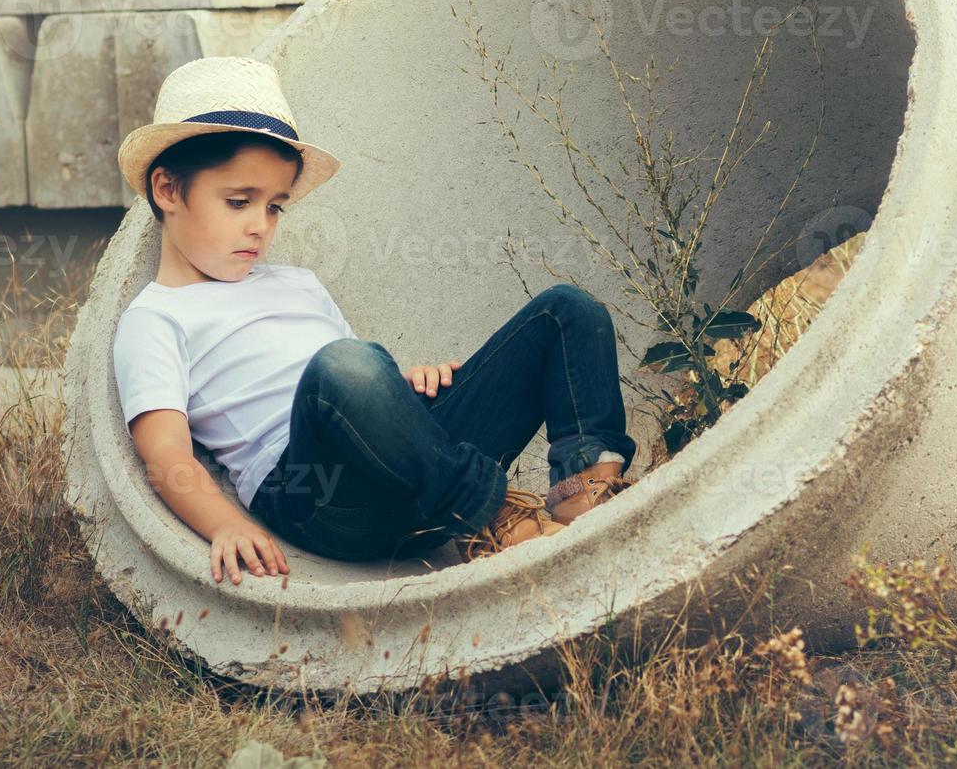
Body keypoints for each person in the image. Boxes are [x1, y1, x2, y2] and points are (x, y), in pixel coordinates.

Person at [111, 56, 637, 585]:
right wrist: (224, 525)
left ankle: (585, 496)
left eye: (275, 207)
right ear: (168, 190)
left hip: (415, 477)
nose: (259, 226)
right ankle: (492, 514)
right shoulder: (156, 318)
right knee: (344, 365)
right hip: (320, 498)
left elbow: (358, 393)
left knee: (567, 311)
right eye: (239, 202)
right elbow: (164, 452)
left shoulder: (297, 283)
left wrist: (402, 388)